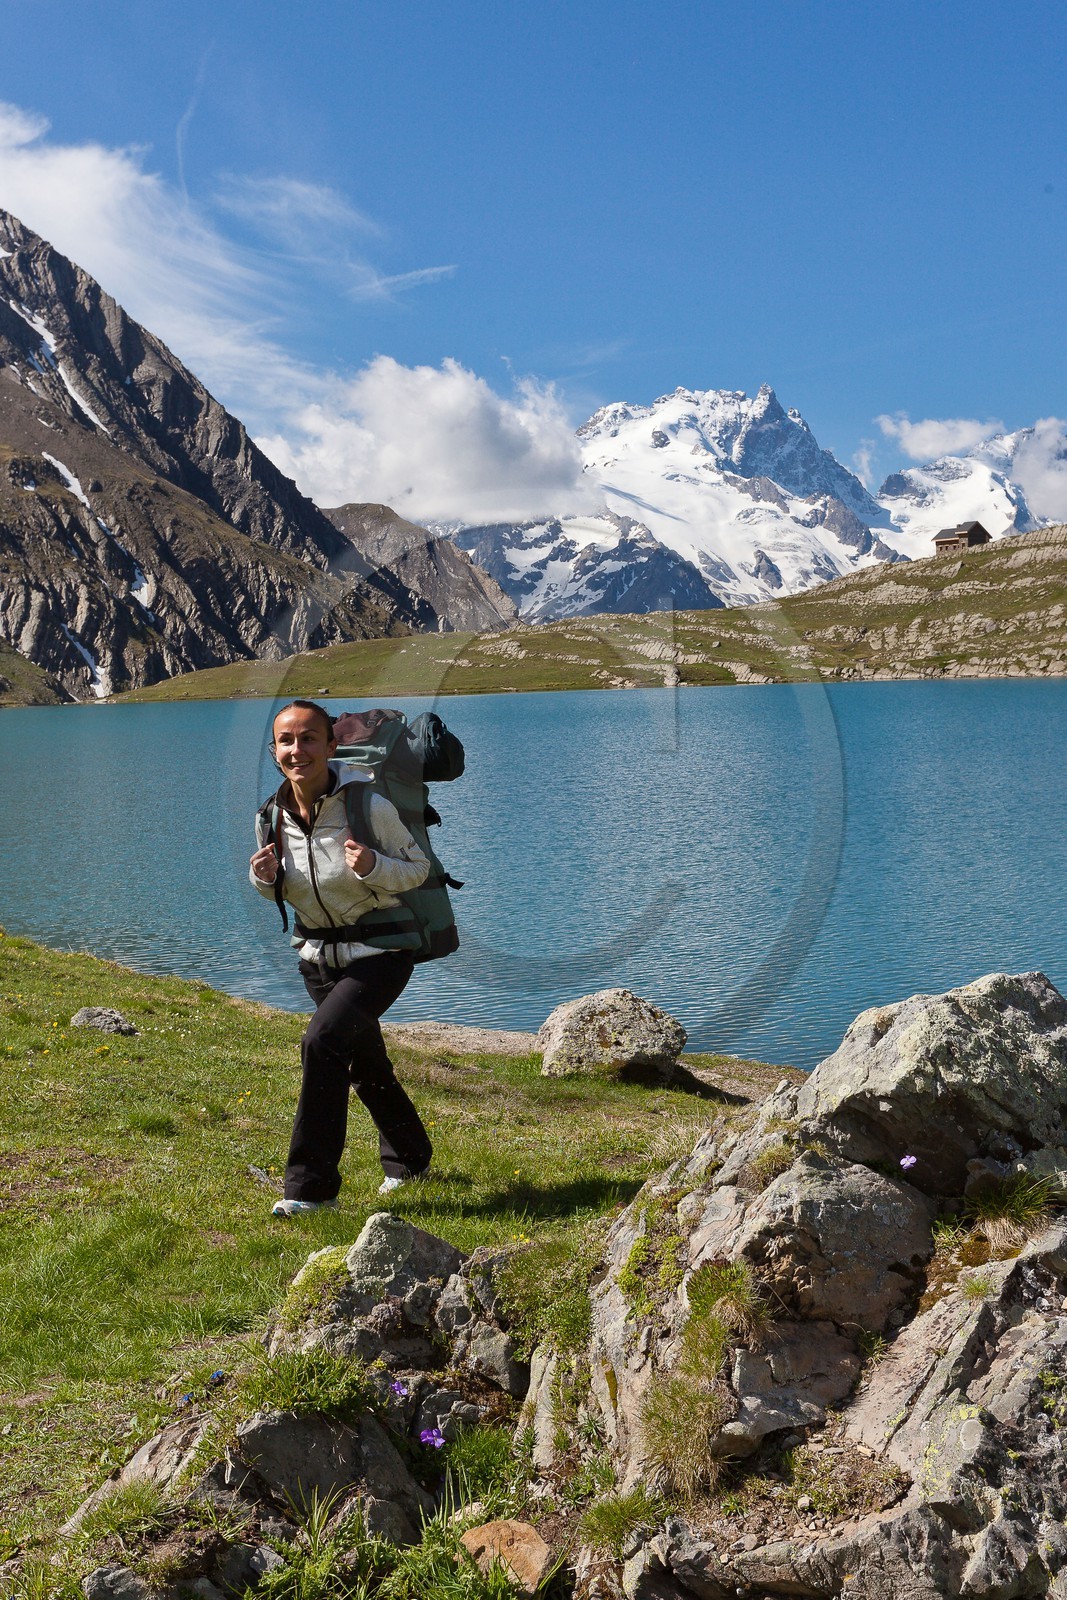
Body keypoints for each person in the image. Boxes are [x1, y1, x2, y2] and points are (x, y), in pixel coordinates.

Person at [250, 699, 434, 1216]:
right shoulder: (269, 816)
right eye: (286, 741)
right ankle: (411, 1157)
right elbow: (285, 891)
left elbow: (417, 868)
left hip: (382, 950)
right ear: (275, 752)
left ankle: (310, 1190)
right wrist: (264, 879)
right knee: (361, 1057)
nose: (297, 749)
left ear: (331, 746)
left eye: (309, 738)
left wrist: (374, 865)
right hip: (316, 956)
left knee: (323, 1040)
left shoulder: (366, 806)